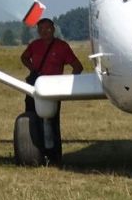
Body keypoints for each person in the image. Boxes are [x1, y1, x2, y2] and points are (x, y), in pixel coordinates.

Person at [20, 17, 84, 165]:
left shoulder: (62, 47)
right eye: (41, 29)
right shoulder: (34, 45)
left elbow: (78, 66)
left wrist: (67, 83)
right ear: (38, 31)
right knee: (32, 119)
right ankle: (34, 152)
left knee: (52, 122)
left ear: (53, 29)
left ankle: (54, 156)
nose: (45, 32)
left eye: (48, 29)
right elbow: (23, 57)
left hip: (53, 89)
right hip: (34, 87)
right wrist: (32, 69)